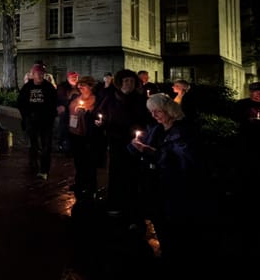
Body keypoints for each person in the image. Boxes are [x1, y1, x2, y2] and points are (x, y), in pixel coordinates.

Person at [129, 93, 212, 278]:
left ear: (169, 110)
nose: (154, 115)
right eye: (151, 112)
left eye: (157, 111)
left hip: (176, 187)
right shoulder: (156, 129)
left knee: (177, 227)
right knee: (160, 222)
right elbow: (147, 152)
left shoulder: (184, 131)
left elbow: (186, 161)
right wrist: (136, 147)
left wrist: (153, 153)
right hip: (156, 186)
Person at [96, 69, 151, 220]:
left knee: (133, 173)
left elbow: (146, 119)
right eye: (126, 81)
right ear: (120, 83)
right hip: (116, 140)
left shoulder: (140, 100)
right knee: (116, 172)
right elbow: (101, 114)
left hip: (134, 142)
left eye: (132, 81)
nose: (129, 84)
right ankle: (115, 203)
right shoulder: (111, 98)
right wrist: (101, 123)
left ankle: (133, 205)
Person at [233, 81, 260, 260]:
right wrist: (249, 122)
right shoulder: (243, 105)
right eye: (255, 93)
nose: (258, 95)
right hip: (247, 147)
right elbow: (236, 121)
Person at [17, 63, 58, 179]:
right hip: (31, 121)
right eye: (37, 74)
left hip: (46, 122)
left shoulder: (49, 88)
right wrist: (26, 117)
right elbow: (21, 103)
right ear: (33, 74)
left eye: (42, 74)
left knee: (46, 146)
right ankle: (33, 164)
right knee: (33, 144)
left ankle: (44, 170)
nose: (40, 76)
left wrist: (50, 116)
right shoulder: (27, 87)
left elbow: (54, 103)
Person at [67, 76, 104, 201]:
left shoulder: (96, 101)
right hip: (75, 134)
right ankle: (79, 183)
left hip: (88, 136)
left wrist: (86, 113)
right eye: (79, 85)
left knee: (89, 162)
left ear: (91, 87)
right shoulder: (76, 99)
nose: (80, 87)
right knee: (78, 160)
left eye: (83, 85)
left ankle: (91, 186)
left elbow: (98, 117)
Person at [56, 71, 80, 153]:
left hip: (76, 112)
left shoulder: (79, 86)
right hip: (65, 111)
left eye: (76, 77)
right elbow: (60, 99)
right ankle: (62, 144)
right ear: (68, 78)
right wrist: (69, 97)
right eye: (72, 77)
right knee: (64, 128)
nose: (74, 79)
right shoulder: (62, 87)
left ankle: (72, 145)